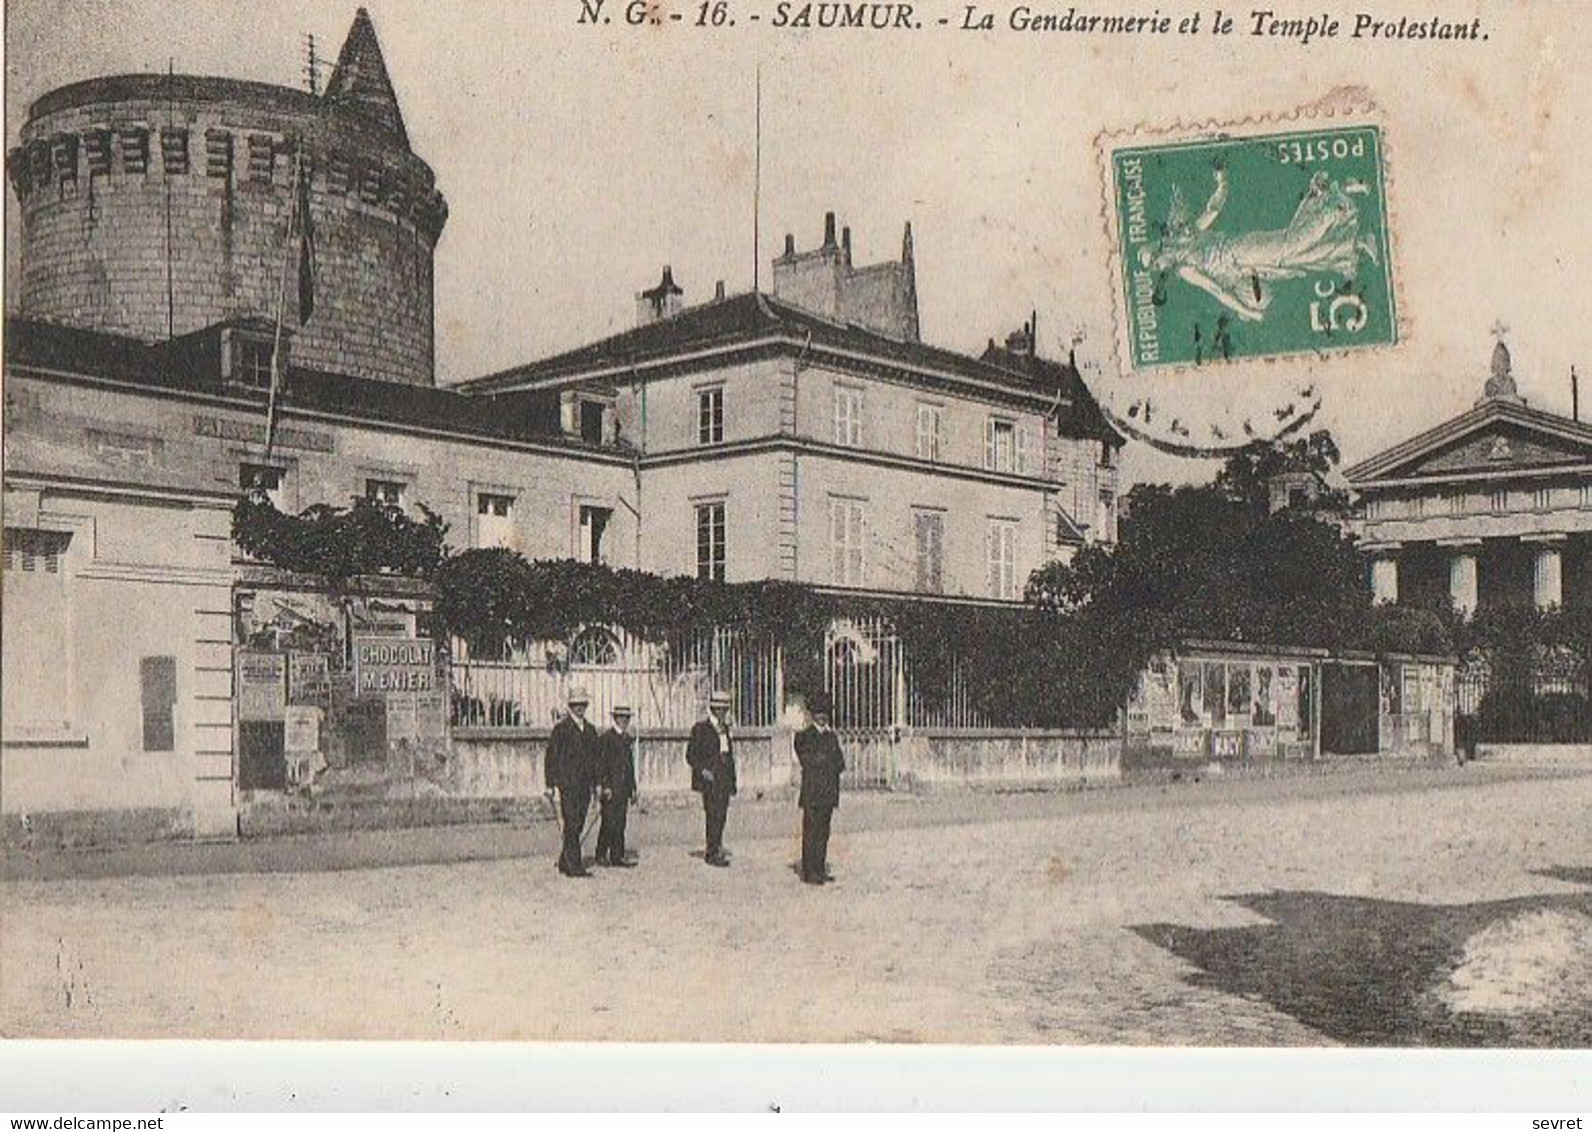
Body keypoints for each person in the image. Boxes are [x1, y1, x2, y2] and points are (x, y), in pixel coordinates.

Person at [544, 686, 600, 878]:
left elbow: (595, 760)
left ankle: (564, 860)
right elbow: (551, 757)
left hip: (585, 786)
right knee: (572, 823)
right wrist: (550, 784)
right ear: (570, 706)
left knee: (579, 822)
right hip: (567, 784)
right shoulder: (561, 730)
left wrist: (597, 783)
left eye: (582, 704)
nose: (579, 708)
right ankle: (575, 866)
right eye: (576, 705)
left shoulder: (591, 731)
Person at [793, 693, 846, 885]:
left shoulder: (832, 737)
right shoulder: (803, 736)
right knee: (810, 831)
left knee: (824, 832)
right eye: (819, 713)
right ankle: (809, 871)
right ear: (812, 715)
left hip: (828, 792)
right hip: (812, 791)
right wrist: (825, 762)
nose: (822, 717)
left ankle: (820, 868)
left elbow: (840, 763)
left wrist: (824, 763)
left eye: (825, 714)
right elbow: (807, 761)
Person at [685, 689, 737, 867]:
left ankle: (717, 845)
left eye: (725, 709)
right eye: (719, 708)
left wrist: (732, 781)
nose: (722, 712)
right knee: (712, 814)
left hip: (724, 777)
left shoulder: (726, 729)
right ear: (712, 709)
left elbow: (729, 756)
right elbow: (691, 755)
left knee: (722, 815)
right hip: (709, 778)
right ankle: (712, 851)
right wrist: (702, 770)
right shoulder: (700, 729)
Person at [595, 703, 639, 867]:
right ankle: (601, 853)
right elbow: (600, 765)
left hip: (623, 788)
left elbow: (629, 766)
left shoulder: (626, 739)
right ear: (615, 718)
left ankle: (617, 855)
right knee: (608, 822)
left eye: (627, 718)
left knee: (620, 822)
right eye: (621, 717)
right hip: (611, 789)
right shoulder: (606, 739)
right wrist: (604, 786)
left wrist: (633, 789)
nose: (624, 721)